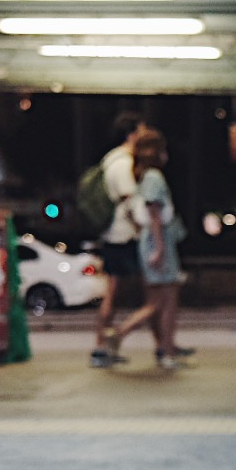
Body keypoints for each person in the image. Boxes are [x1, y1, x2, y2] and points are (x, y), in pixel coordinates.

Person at [108, 128, 188, 370]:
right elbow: (155, 213)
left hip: (151, 240)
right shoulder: (154, 177)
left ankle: (124, 336)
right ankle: (164, 350)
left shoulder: (143, 176)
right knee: (166, 301)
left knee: (156, 301)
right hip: (159, 240)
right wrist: (160, 248)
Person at [90, 111, 144, 367]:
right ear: (132, 134)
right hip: (122, 236)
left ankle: (104, 346)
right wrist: (143, 229)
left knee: (120, 292)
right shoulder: (122, 163)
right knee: (116, 293)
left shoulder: (109, 160)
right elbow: (129, 200)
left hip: (114, 235)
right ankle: (102, 346)